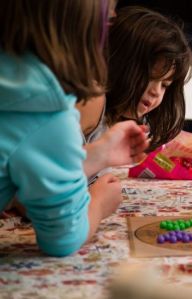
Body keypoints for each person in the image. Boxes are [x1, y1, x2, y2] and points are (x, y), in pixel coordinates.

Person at [0, 0, 147, 256]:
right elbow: (62, 238)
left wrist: (96, 155)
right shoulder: (44, 108)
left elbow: (21, 154)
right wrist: (99, 203)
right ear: (83, 30)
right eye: (108, 20)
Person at [106, 6, 192, 151]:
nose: (156, 92)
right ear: (117, 65)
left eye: (165, 85)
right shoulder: (91, 118)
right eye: (150, 77)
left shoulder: (144, 127)